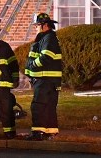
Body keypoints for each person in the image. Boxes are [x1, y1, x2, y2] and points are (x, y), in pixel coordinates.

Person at [24, 12, 62, 141]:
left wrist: (32, 66)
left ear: (44, 25)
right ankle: (50, 131)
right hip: (49, 79)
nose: (36, 28)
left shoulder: (48, 38)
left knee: (39, 105)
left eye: (37, 25)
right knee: (49, 105)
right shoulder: (47, 37)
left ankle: (38, 132)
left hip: (44, 78)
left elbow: (46, 56)